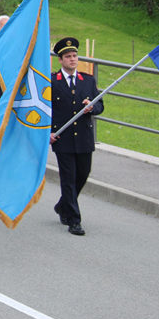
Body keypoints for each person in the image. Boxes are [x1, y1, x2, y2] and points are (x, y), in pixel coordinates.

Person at [51, 37, 104, 237]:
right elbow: (46, 111)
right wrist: (48, 132)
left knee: (83, 174)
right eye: (68, 57)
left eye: (74, 56)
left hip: (83, 137)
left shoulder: (87, 81)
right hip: (62, 138)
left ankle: (63, 204)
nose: (72, 60)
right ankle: (74, 220)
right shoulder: (52, 81)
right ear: (61, 60)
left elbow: (100, 105)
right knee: (68, 178)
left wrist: (92, 107)